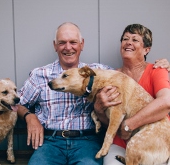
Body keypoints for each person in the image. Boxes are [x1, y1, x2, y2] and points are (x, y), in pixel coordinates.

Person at [17, 22, 169, 165]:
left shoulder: (98, 72)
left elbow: (136, 82)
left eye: (73, 42)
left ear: (82, 44)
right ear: (55, 46)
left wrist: (164, 65)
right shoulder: (40, 75)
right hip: (51, 142)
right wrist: (29, 117)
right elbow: (16, 102)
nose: (68, 47)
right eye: (62, 42)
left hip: (86, 141)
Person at [94, 24, 170, 165]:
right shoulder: (112, 76)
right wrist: (99, 109)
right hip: (121, 145)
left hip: (153, 143)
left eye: (135, 40)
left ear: (147, 49)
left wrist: (129, 125)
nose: (128, 42)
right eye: (125, 39)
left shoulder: (157, 70)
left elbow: (166, 102)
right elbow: (110, 123)